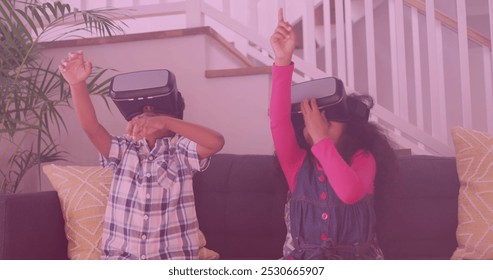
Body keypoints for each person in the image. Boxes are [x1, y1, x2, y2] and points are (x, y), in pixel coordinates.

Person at [59, 50, 225, 260]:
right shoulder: (121, 150)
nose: (146, 119)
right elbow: (91, 128)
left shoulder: (181, 151)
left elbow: (216, 142)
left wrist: (166, 122)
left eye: (154, 117)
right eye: (140, 115)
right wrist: (77, 84)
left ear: (173, 122)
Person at [269, 9, 397, 259]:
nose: (317, 124)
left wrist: (321, 140)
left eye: (328, 121)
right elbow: (278, 121)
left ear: (349, 127)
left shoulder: (362, 158)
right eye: (310, 119)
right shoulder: (296, 165)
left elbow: (349, 193)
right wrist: (282, 61)